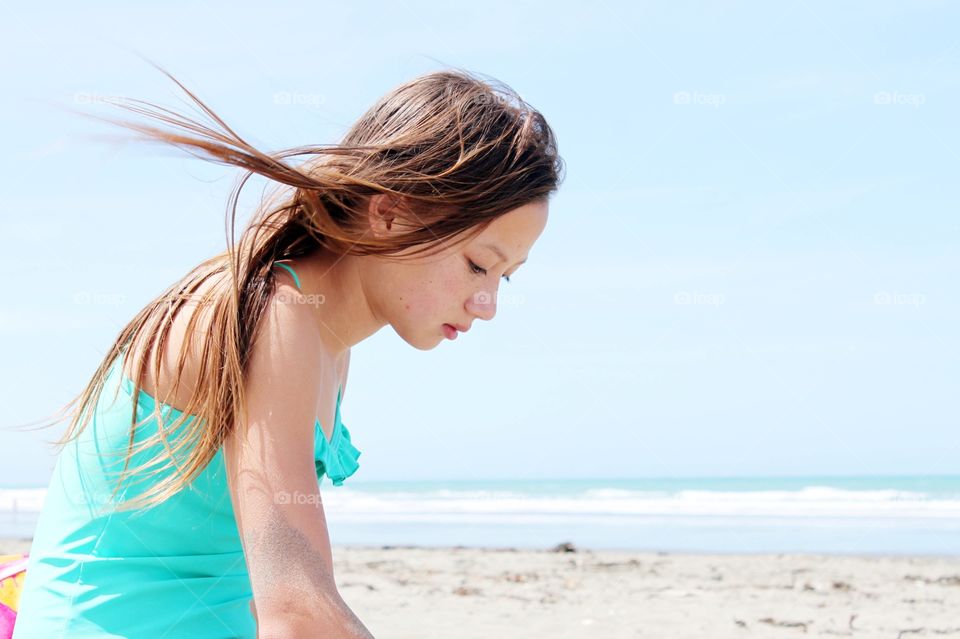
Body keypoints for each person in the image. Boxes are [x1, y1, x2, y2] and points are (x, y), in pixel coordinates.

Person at [11, 64, 564, 638]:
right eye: (479, 264)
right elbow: (296, 611)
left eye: (506, 277)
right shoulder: (275, 315)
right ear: (390, 212)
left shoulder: (324, 334)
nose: (487, 303)